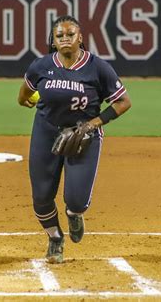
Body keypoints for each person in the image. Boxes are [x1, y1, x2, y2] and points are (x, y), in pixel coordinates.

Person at [18, 15, 131, 263]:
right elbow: (25, 93)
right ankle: (55, 238)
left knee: (77, 200)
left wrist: (92, 124)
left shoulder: (97, 67)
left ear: (80, 38)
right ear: (54, 40)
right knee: (41, 196)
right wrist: (26, 100)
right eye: (60, 35)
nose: (65, 38)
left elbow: (123, 102)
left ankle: (74, 214)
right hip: (46, 133)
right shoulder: (41, 66)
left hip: (84, 136)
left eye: (70, 34)